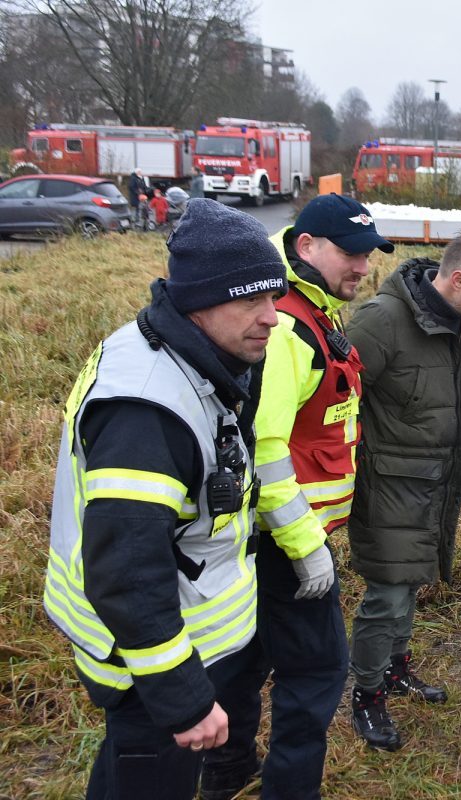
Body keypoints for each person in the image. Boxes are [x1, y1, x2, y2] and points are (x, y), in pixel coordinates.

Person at [44, 199, 285, 799]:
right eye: (251, 299)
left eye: (274, 297)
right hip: (150, 667)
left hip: (182, 645)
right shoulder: (147, 411)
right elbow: (126, 572)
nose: (272, 317)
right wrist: (182, 700)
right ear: (199, 300)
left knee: (133, 773)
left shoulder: (183, 352)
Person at [201, 194, 395, 797]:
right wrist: (306, 544)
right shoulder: (286, 325)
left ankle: (227, 773)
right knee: (316, 672)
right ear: (306, 247)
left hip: (268, 538)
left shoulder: (307, 308)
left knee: (243, 660)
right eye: (352, 254)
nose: (363, 267)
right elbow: (265, 448)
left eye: (368, 254)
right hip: (286, 538)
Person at [344, 234, 461, 746]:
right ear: (456, 279)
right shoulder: (381, 321)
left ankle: (395, 669)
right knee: (387, 594)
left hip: (439, 483)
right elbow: (333, 397)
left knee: (412, 581)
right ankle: (366, 694)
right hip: (389, 486)